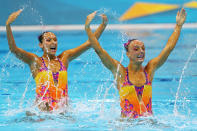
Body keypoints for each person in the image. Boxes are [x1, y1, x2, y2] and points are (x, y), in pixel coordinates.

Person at [85, 8, 186, 118]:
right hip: (126, 125)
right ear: (127, 54)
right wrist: (87, 29)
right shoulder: (120, 72)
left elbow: (168, 48)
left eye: (143, 48)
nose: (141, 51)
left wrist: (178, 26)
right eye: (136, 49)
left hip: (148, 123)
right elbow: (99, 50)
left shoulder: (150, 70)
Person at [6, 9, 107, 112]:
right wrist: (8, 25)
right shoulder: (36, 61)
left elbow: (90, 43)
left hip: (62, 114)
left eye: (55, 39)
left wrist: (103, 25)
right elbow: (14, 49)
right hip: (41, 115)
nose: (53, 42)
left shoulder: (64, 58)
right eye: (48, 40)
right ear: (41, 45)